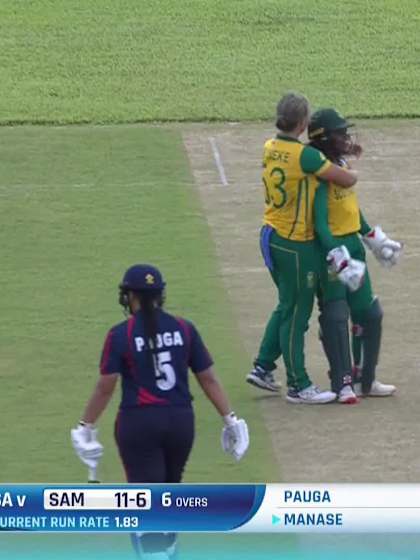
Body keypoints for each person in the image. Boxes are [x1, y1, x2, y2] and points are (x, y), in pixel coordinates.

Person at [71, 264, 249, 559]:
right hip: (181, 421)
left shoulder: (121, 334)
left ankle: (154, 552)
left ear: (131, 297)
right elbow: (208, 379)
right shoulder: (184, 328)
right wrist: (230, 419)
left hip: (139, 422)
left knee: (144, 499)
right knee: (170, 491)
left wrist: (86, 425)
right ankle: (168, 549)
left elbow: (106, 386)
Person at [246, 92, 359, 404]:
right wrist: (354, 170)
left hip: (270, 234)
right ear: (303, 122)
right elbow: (345, 180)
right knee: (297, 314)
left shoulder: (271, 146)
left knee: (286, 305)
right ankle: (299, 384)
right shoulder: (306, 157)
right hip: (294, 244)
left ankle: (263, 366)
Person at [310, 108, 401, 400]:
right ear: (324, 138)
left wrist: (373, 238)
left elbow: (351, 209)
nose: (346, 137)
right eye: (340, 133)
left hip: (353, 246)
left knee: (369, 314)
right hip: (332, 252)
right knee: (336, 315)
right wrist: (335, 254)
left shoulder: (340, 164)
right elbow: (320, 223)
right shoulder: (321, 172)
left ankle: (366, 379)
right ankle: (342, 382)